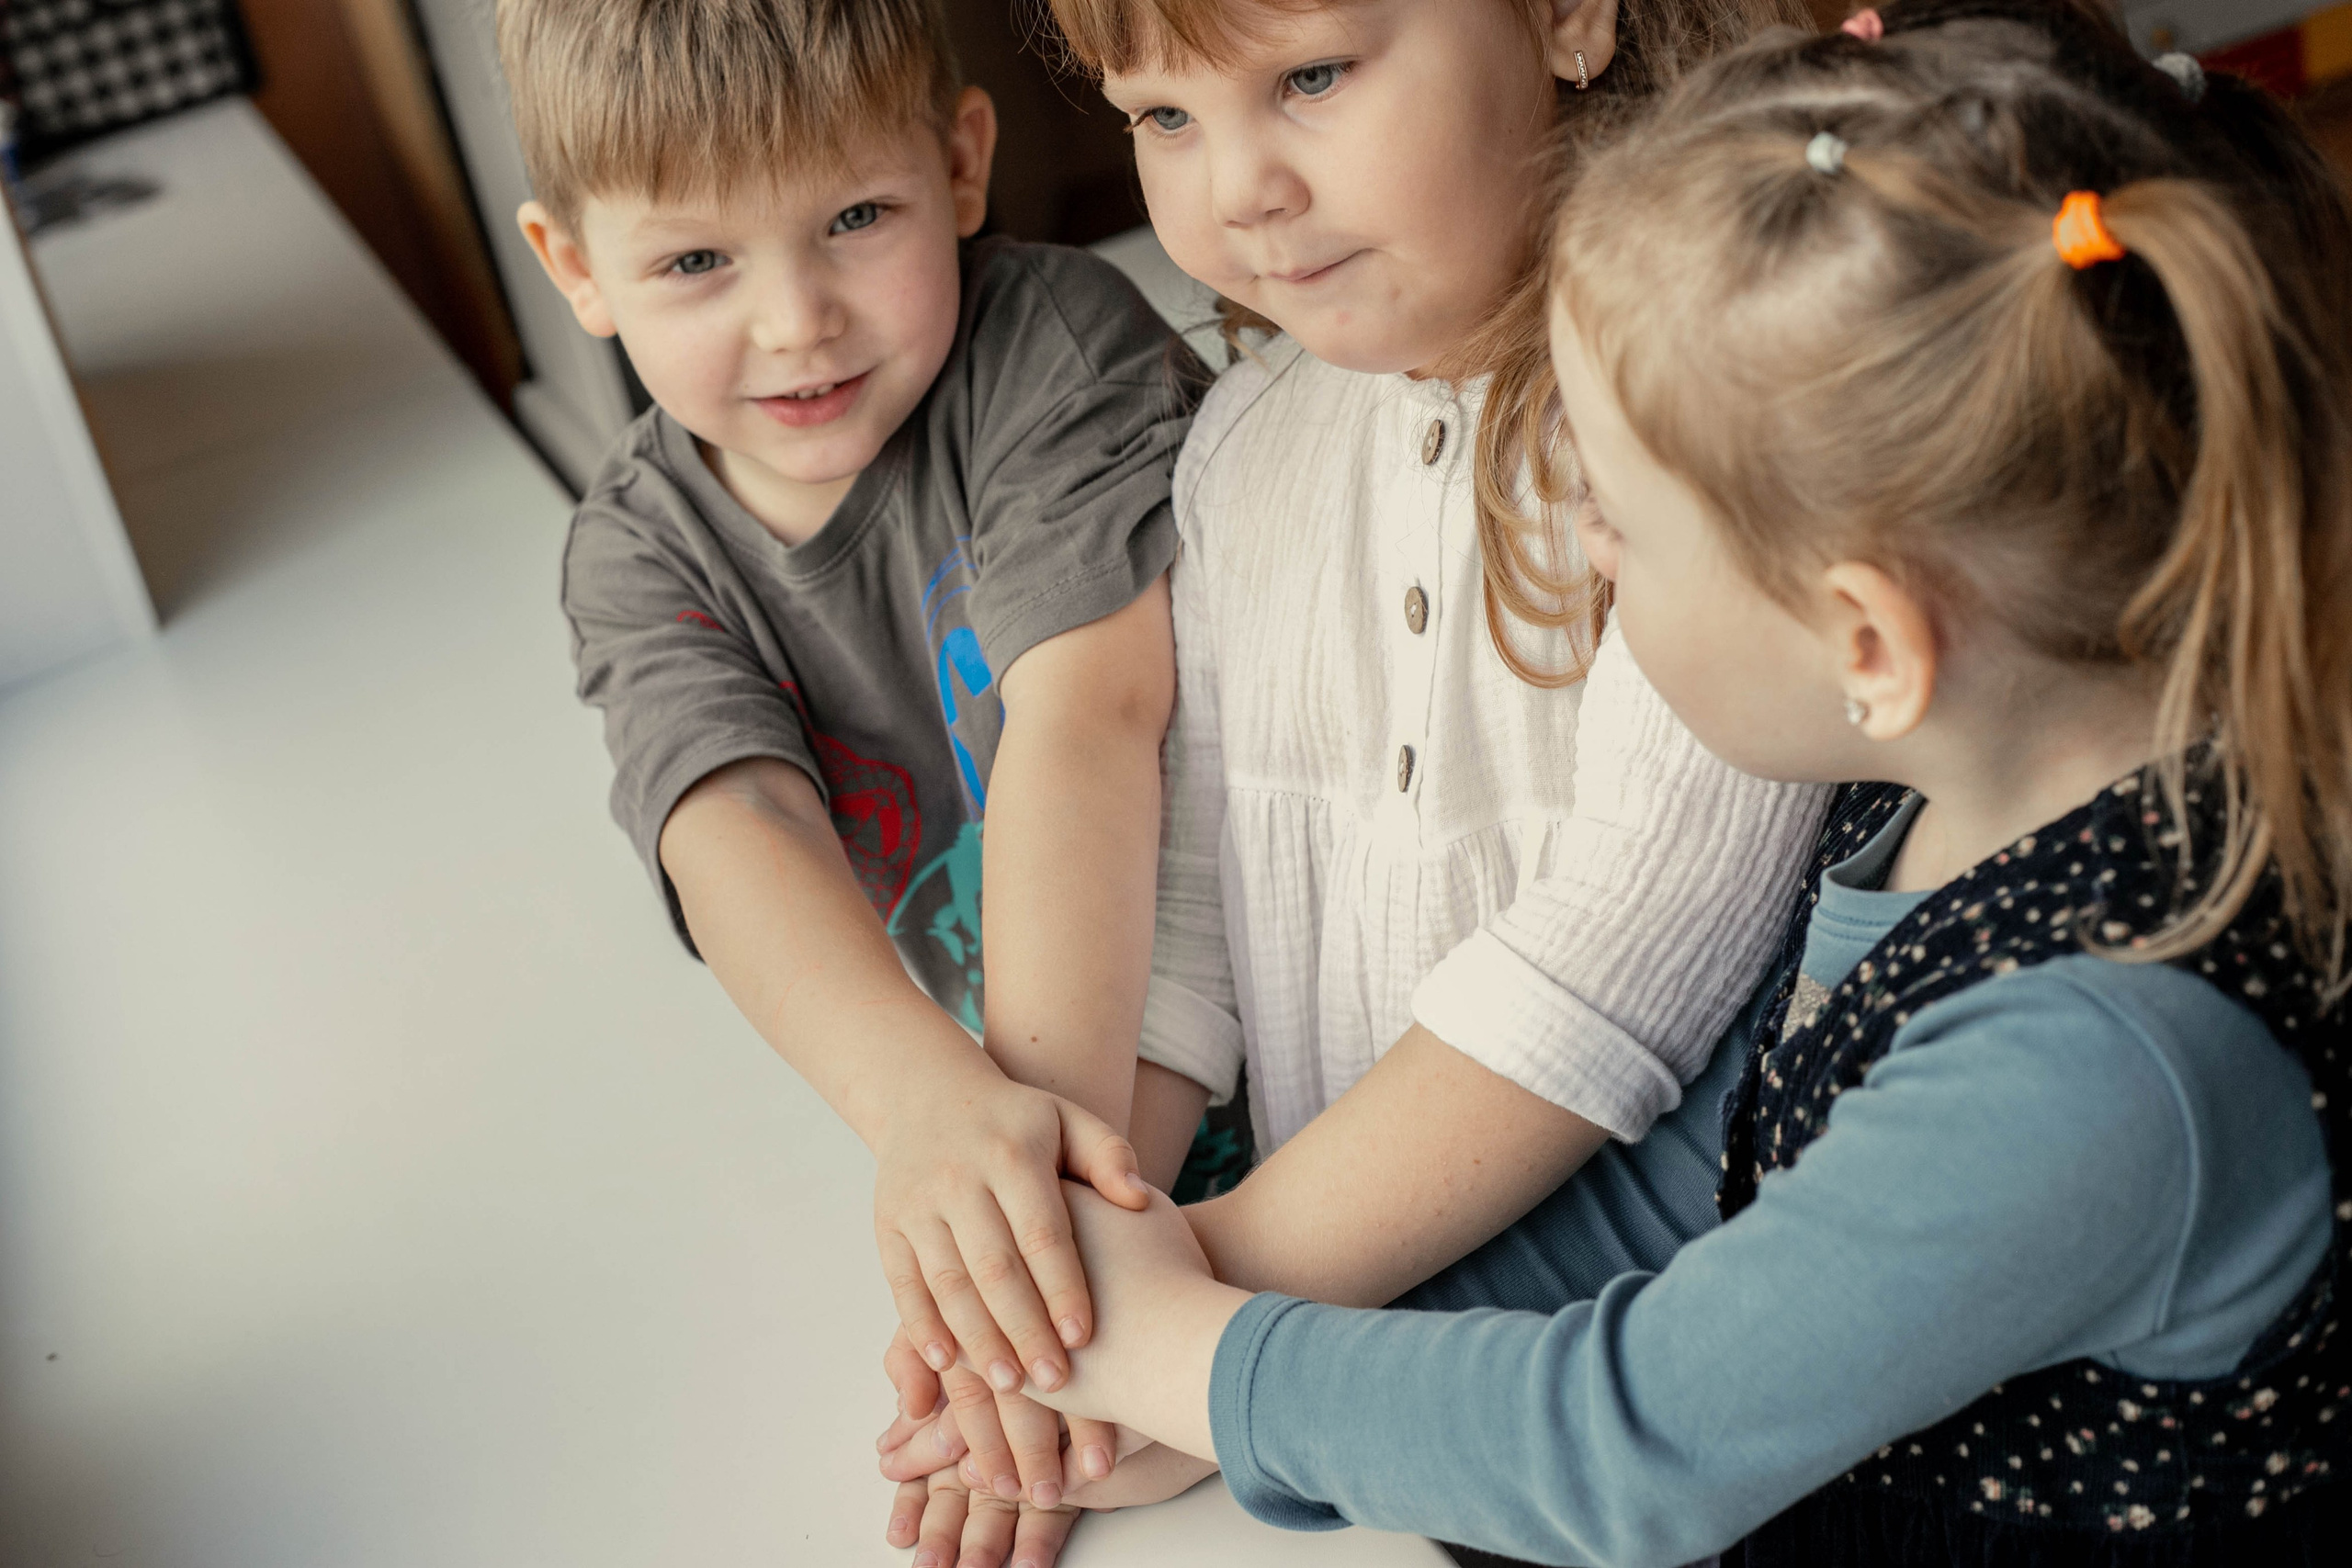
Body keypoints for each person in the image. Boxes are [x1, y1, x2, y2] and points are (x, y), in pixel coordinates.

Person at [996, 3, 2352, 1562]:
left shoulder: (2103, 1065)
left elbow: (1619, 1445)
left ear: (1865, 641)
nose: (1581, 544)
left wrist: (1181, 1357)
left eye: (1624, 527)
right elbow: (1704, 1183)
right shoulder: (1920, 796)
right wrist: (1228, 1366)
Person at [878, 0, 1833, 1560]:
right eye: (1164, 116)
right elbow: (1193, 918)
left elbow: (1618, 967)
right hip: (1327, 1393)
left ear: (1568, 18)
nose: (1237, 189)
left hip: (1635, 1420)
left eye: (1311, 77)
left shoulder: (1708, 423)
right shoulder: (1243, 446)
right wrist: (1057, 1295)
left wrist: (1189, 1327)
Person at [496, 1, 1219, 1549]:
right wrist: (932, 1118)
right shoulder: (634, 553)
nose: (796, 320)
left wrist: (1024, 1263)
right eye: (698, 260)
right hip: (1048, 1116)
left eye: (853, 220)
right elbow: (732, 822)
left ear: (961, 164)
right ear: (574, 267)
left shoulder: (1054, 348)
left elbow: (1090, 723)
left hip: (1251, 1021)